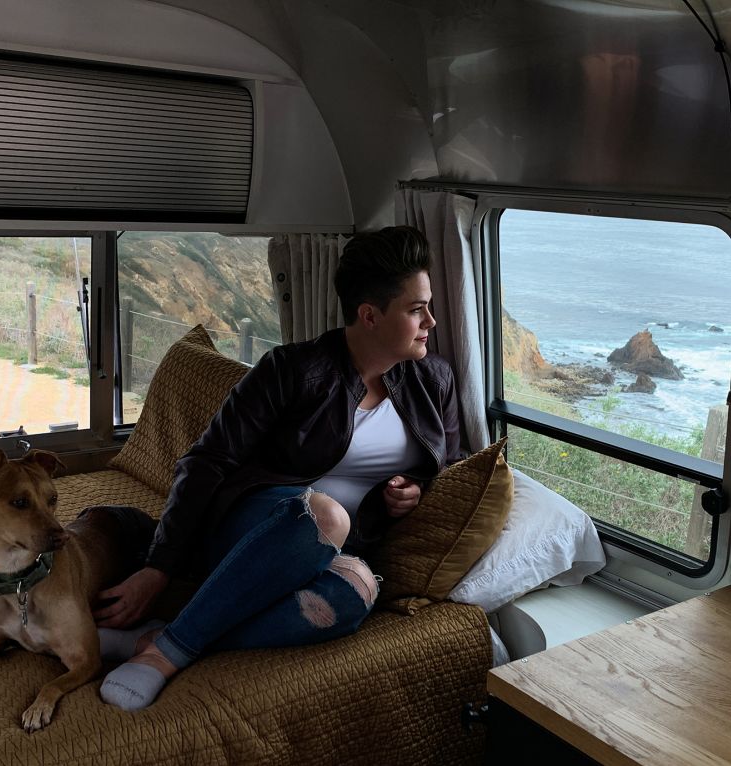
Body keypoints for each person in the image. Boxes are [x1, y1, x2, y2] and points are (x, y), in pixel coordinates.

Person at [95, 225, 462, 710]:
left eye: (428, 306)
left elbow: (450, 465)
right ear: (370, 315)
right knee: (326, 515)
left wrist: (413, 487)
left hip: (340, 549)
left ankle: (165, 637)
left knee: (356, 593)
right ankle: (166, 658)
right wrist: (159, 568)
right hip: (254, 530)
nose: (431, 321)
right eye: (417, 309)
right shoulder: (292, 370)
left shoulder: (433, 380)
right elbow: (205, 462)